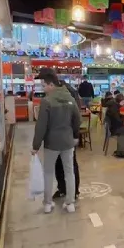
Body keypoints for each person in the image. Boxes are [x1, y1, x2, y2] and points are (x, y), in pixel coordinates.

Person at [32, 69, 81, 214]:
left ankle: (47, 204)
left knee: (48, 173)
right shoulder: (70, 98)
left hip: (51, 144)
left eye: (44, 85)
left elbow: (41, 126)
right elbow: (77, 119)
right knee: (69, 172)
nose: (43, 88)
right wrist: (75, 135)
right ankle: (70, 203)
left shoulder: (47, 101)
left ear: (51, 85)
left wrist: (35, 145)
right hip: (68, 142)